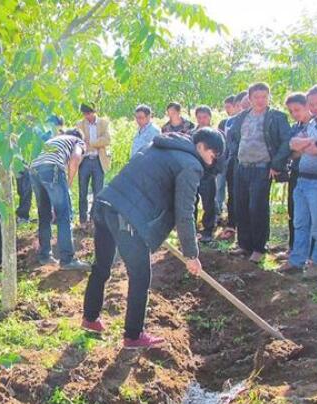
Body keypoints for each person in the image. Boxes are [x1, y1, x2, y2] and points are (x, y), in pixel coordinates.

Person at [81, 129, 225, 348]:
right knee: (140, 275)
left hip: (105, 204)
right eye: (213, 155)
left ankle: (90, 319)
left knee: (102, 265)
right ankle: (133, 335)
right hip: (126, 216)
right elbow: (184, 213)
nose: (211, 162)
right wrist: (191, 255)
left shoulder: (161, 145)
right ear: (202, 147)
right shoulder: (191, 165)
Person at [228, 82, 291, 263]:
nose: (260, 100)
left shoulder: (276, 117)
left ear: (268, 97)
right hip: (241, 167)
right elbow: (232, 137)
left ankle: (259, 248)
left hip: (262, 168)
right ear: (250, 98)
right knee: (241, 206)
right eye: (256, 97)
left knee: (257, 208)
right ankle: (244, 245)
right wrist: (235, 154)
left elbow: (286, 141)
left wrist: (276, 164)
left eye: (264, 96)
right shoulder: (242, 117)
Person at [29, 129, 91, 271]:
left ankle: (45, 256)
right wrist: (67, 183)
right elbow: (75, 159)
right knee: (64, 215)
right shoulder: (78, 141)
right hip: (52, 168)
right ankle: (67, 259)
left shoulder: (54, 141)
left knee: (44, 215)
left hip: (34, 169)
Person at [282, 85, 317, 279]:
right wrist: (309, 143)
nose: (316, 107)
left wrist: (306, 143)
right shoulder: (312, 124)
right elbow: (293, 145)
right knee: (300, 223)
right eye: (312, 104)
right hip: (302, 180)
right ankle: (297, 260)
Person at [218, 90, 250, 241]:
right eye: (241, 105)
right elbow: (228, 142)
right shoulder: (230, 122)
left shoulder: (257, 119)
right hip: (233, 161)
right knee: (233, 195)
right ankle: (232, 225)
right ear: (236, 105)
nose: (243, 108)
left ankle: (250, 232)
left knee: (250, 198)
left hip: (251, 163)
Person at [282, 93, 311, 253]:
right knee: (293, 211)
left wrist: (301, 147)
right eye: (291, 111)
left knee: (312, 215)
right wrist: (302, 147)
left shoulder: (316, 125)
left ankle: (311, 252)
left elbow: (316, 149)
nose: (294, 114)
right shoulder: (295, 128)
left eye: (297, 109)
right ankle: (294, 248)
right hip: (296, 173)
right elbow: (290, 150)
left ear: (307, 106)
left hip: (313, 175)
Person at [76, 103, 111, 224]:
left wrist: (91, 142)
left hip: (98, 160)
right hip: (84, 160)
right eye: (85, 114)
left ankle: (94, 218)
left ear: (94, 112)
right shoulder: (79, 124)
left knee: (98, 191)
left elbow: (107, 140)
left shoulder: (103, 123)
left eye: (89, 114)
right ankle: (82, 219)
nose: (87, 116)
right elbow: (78, 141)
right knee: (82, 192)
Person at [192, 106, 218, 242]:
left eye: (205, 117)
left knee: (209, 203)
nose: (202, 120)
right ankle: (191, 230)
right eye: (199, 117)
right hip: (193, 174)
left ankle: (208, 230)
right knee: (192, 202)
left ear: (210, 117)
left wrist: (214, 171)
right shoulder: (193, 135)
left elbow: (221, 156)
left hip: (208, 175)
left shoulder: (215, 135)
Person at [215, 96, 238, 224]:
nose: (227, 110)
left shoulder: (240, 121)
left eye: (228, 107)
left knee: (233, 190)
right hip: (224, 160)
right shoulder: (225, 122)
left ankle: (233, 219)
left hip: (235, 161)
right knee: (219, 187)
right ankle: (219, 212)